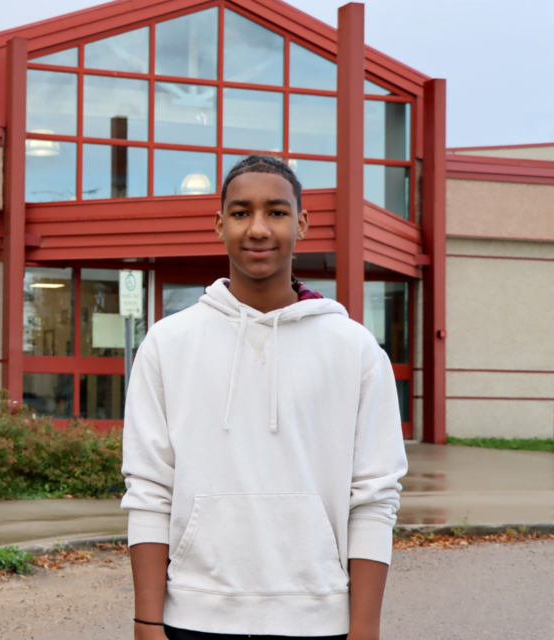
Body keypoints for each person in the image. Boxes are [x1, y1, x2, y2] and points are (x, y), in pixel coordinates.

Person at [121, 155, 408, 640]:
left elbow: (374, 498)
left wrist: (365, 628)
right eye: (240, 212)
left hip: (320, 619)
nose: (258, 228)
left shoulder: (354, 349)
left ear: (301, 223)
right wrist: (147, 621)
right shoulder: (167, 344)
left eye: (276, 212)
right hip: (192, 616)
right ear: (219, 224)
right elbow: (149, 491)